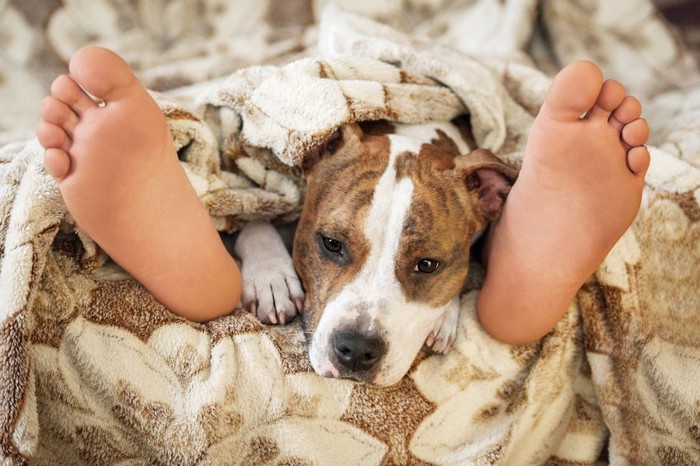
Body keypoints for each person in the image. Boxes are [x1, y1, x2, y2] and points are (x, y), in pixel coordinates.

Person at [35, 46, 650, 345]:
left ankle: (521, 236)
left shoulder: (457, 192)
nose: (358, 333)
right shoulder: (325, 152)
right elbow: (271, 177)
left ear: (485, 194)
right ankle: (206, 232)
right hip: (342, 118)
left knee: (494, 169)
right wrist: (262, 247)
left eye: (425, 267)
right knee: (245, 187)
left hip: (451, 129)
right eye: (334, 246)